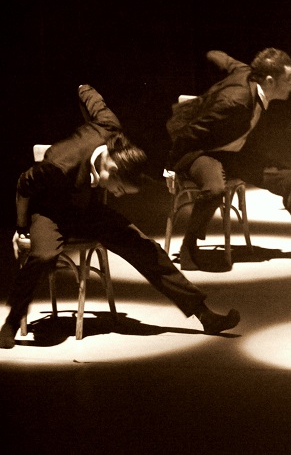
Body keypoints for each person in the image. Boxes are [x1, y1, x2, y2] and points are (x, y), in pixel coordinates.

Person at [1, 85, 240, 349]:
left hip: (87, 211)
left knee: (145, 248)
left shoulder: (109, 127)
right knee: (44, 255)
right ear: (111, 168)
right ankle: (11, 322)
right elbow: (24, 183)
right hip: (51, 211)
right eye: (119, 188)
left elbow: (92, 98)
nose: (117, 194)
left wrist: (81, 87)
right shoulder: (60, 164)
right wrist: (21, 227)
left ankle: (204, 314)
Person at [167, 49, 291, 269]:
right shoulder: (235, 102)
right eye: (288, 79)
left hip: (233, 154)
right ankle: (188, 248)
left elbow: (223, 59)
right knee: (215, 189)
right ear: (269, 81)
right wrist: (171, 166)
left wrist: (209, 56)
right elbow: (191, 132)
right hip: (199, 152)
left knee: (289, 178)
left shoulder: (248, 73)